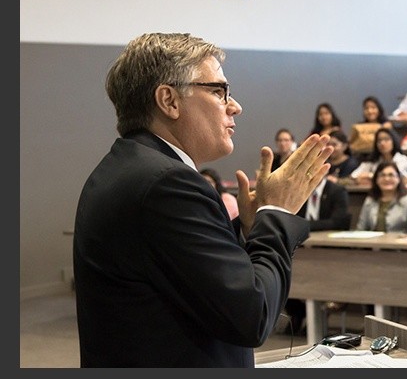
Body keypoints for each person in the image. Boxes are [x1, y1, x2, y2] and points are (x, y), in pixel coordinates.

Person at [72, 32, 333, 367]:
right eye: (218, 91)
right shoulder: (168, 183)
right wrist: (276, 213)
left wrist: (250, 228)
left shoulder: (126, 167)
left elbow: (190, 276)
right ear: (169, 100)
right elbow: (252, 316)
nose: (235, 105)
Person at [284, 175, 352, 334]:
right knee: (286, 268)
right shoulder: (298, 191)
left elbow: (339, 222)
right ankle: (298, 312)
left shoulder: (337, 191)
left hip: (330, 250)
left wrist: (306, 225)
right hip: (300, 246)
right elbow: (289, 218)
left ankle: (319, 315)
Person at [356, 161, 407, 232]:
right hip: (374, 242)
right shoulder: (370, 201)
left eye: (391, 175)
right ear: (376, 180)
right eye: (382, 175)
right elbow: (360, 229)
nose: (386, 179)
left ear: (399, 179)